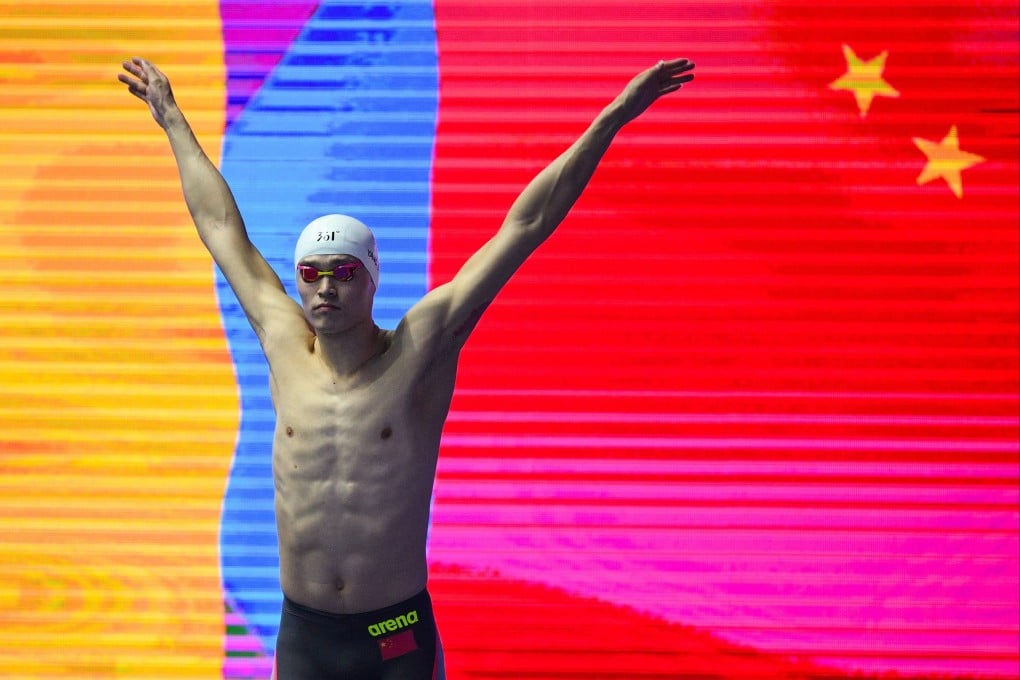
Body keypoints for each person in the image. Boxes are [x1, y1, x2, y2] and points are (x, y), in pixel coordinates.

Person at [118, 54, 694, 680]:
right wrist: (173, 120)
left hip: (395, 635)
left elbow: (525, 226)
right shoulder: (281, 339)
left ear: (371, 282)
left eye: (344, 274)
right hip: (305, 635)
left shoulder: (420, 348)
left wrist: (612, 118)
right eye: (311, 274)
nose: (326, 288)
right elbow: (220, 225)